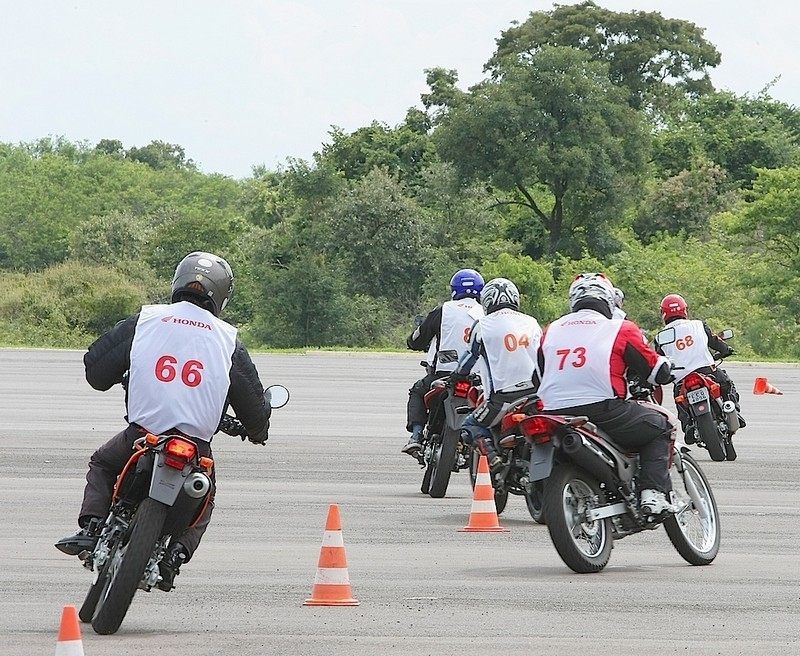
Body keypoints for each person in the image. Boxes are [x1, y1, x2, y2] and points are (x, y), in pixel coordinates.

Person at [55, 251, 271, 591]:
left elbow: (96, 371)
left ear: (178, 281)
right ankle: (176, 556)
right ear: (222, 295)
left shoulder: (146, 320)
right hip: (195, 448)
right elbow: (256, 413)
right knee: (206, 496)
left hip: (142, 436)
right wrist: (257, 431)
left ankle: (92, 527)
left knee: (103, 462)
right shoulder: (228, 340)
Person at [535, 273, 676, 515]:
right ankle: (652, 493)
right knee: (661, 427)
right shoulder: (619, 328)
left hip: (552, 411)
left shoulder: (551, 329)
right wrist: (666, 370)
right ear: (609, 300)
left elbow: (537, 376)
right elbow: (654, 370)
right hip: (602, 409)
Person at [453, 277, 542, 474]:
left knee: (470, 425)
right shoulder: (532, 322)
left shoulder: (483, 325)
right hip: (538, 393)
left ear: (487, 301)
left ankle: (493, 459)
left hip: (503, 398)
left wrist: (457, 376)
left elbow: (469, 359)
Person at [402, 269, 484, 456]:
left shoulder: (442, 311)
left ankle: (415, 436)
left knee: (417, 391)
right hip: (479, 379)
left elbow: (417, 340)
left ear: (454, 290)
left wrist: (412, 342)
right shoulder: (486, 314)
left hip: (443, 375)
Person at [655, 293, 745, 442]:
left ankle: (688, 426)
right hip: (707, 372)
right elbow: (714, 341)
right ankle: (734, 411)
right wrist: (726, 349)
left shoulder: (661, 337)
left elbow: (657, 360)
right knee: (727, 385)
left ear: (663, 313)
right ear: (685, 310)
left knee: (680, 401)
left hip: (681, 380)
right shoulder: (698, 325)